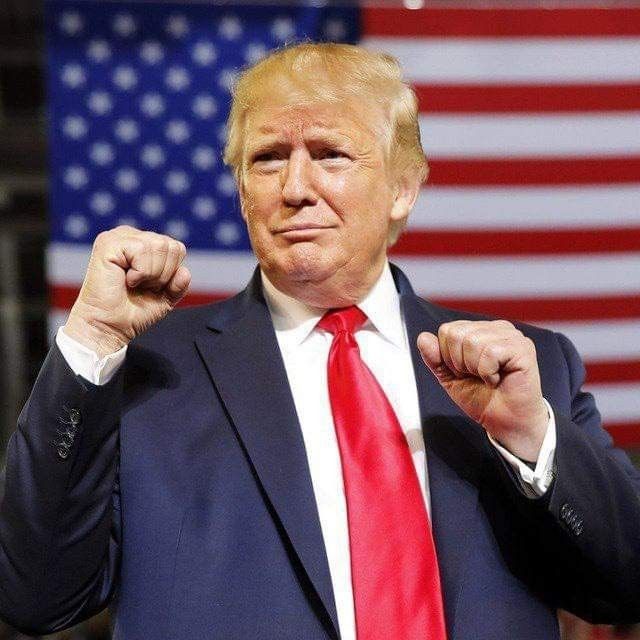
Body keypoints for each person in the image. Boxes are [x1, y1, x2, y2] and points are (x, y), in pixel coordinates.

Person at [1, 43, 639, 640]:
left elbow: (625, 584)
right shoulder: (147, 373)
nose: (295, 188)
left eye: (331, 154)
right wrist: (90, 339)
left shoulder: (528, 371)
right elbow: (36, 596)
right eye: (267, 158)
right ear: (241, 190)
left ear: (403, 189)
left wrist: (528, 435)